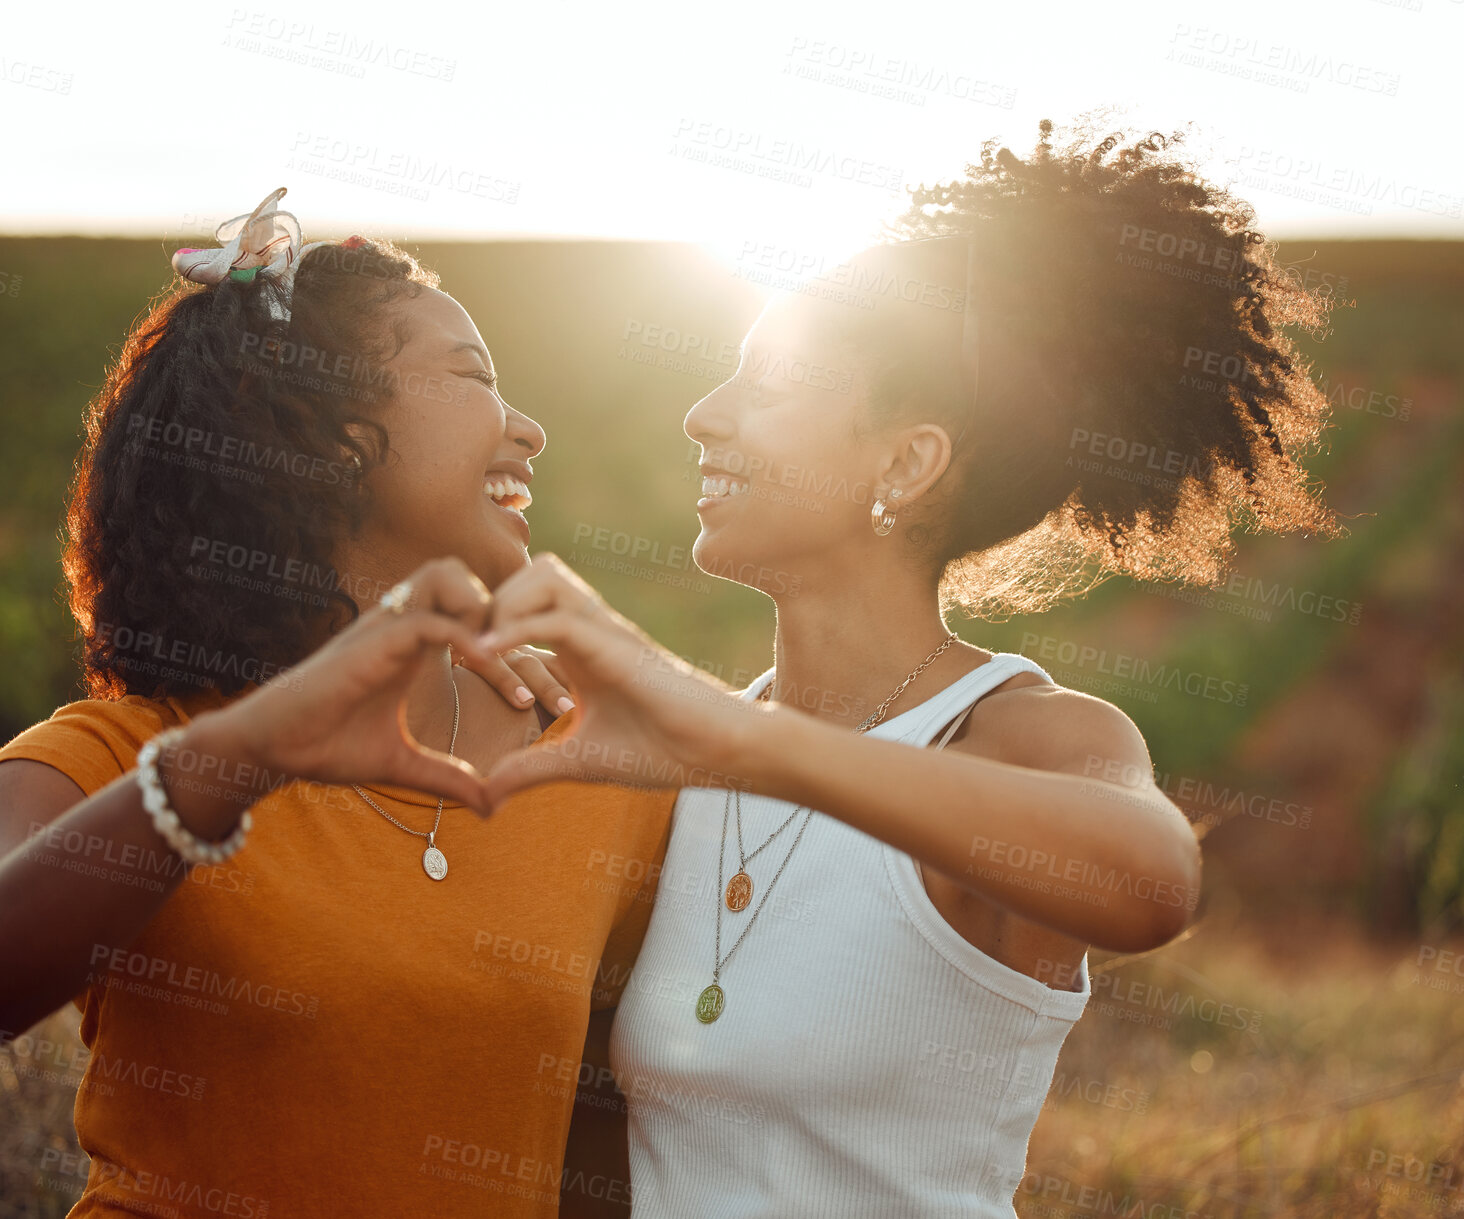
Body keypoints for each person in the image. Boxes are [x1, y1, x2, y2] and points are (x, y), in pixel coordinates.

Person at [473, 121, 1340, 1217]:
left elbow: (1150, 877)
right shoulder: (687, 753)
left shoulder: (1022, 735)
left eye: (773, 382)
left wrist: (732, 739)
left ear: (905, 460)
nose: (703, 415)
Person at [0, 189, 672, 1218]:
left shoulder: (581, 757)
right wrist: (244, 755)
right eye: (473, 376)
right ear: (325, 433)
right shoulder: (116, 751)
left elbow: (613, 1123)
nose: (528, 429)